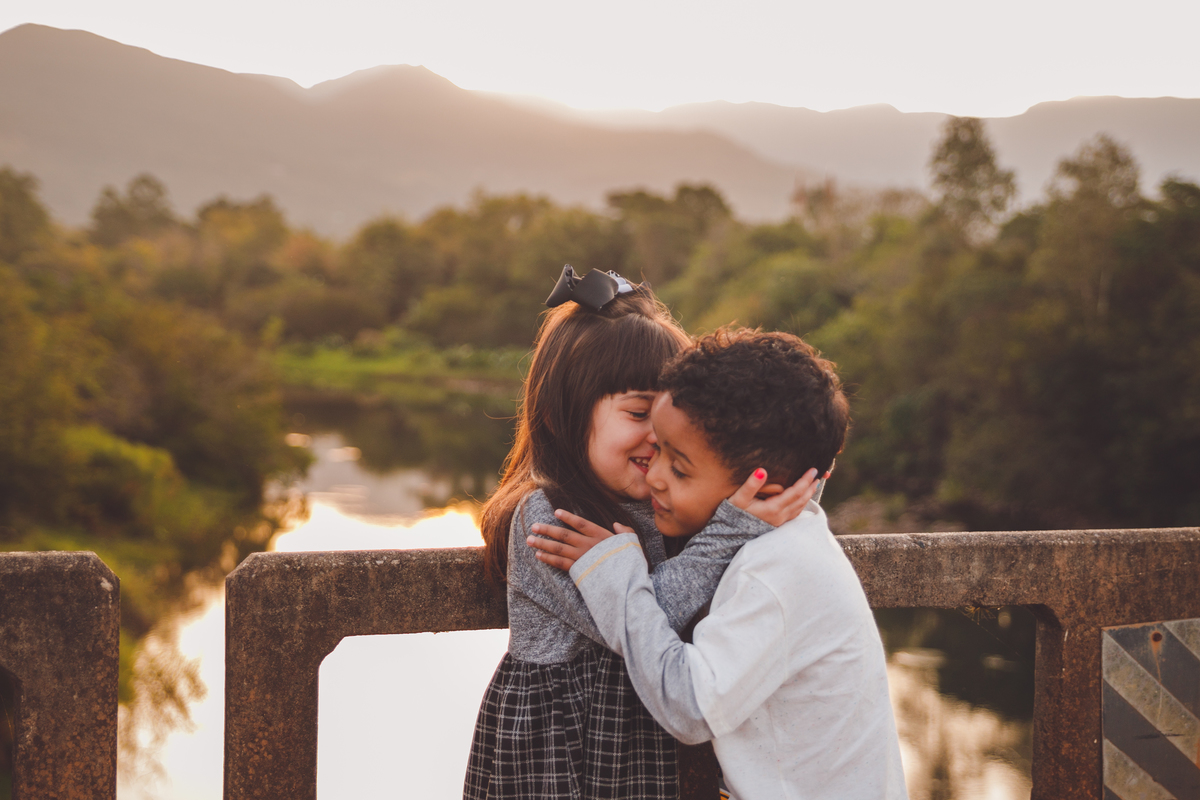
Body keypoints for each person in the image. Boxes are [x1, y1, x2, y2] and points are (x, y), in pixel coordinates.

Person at [464, 268, 818, 800]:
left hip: (639, 739)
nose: (658, 438)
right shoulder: (551, 517)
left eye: (670, 417)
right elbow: (643, 620)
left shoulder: (659, 502)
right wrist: (725, 535)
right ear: (562, 415)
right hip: (564, 750)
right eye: (636, 412)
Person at [528, 328, 908, 800]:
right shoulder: (786, 538)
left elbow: (689, 705)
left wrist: (615, 577)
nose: (656, 478)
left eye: (680, 467)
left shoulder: (778, 571)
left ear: (764, 489)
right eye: (659, 450)